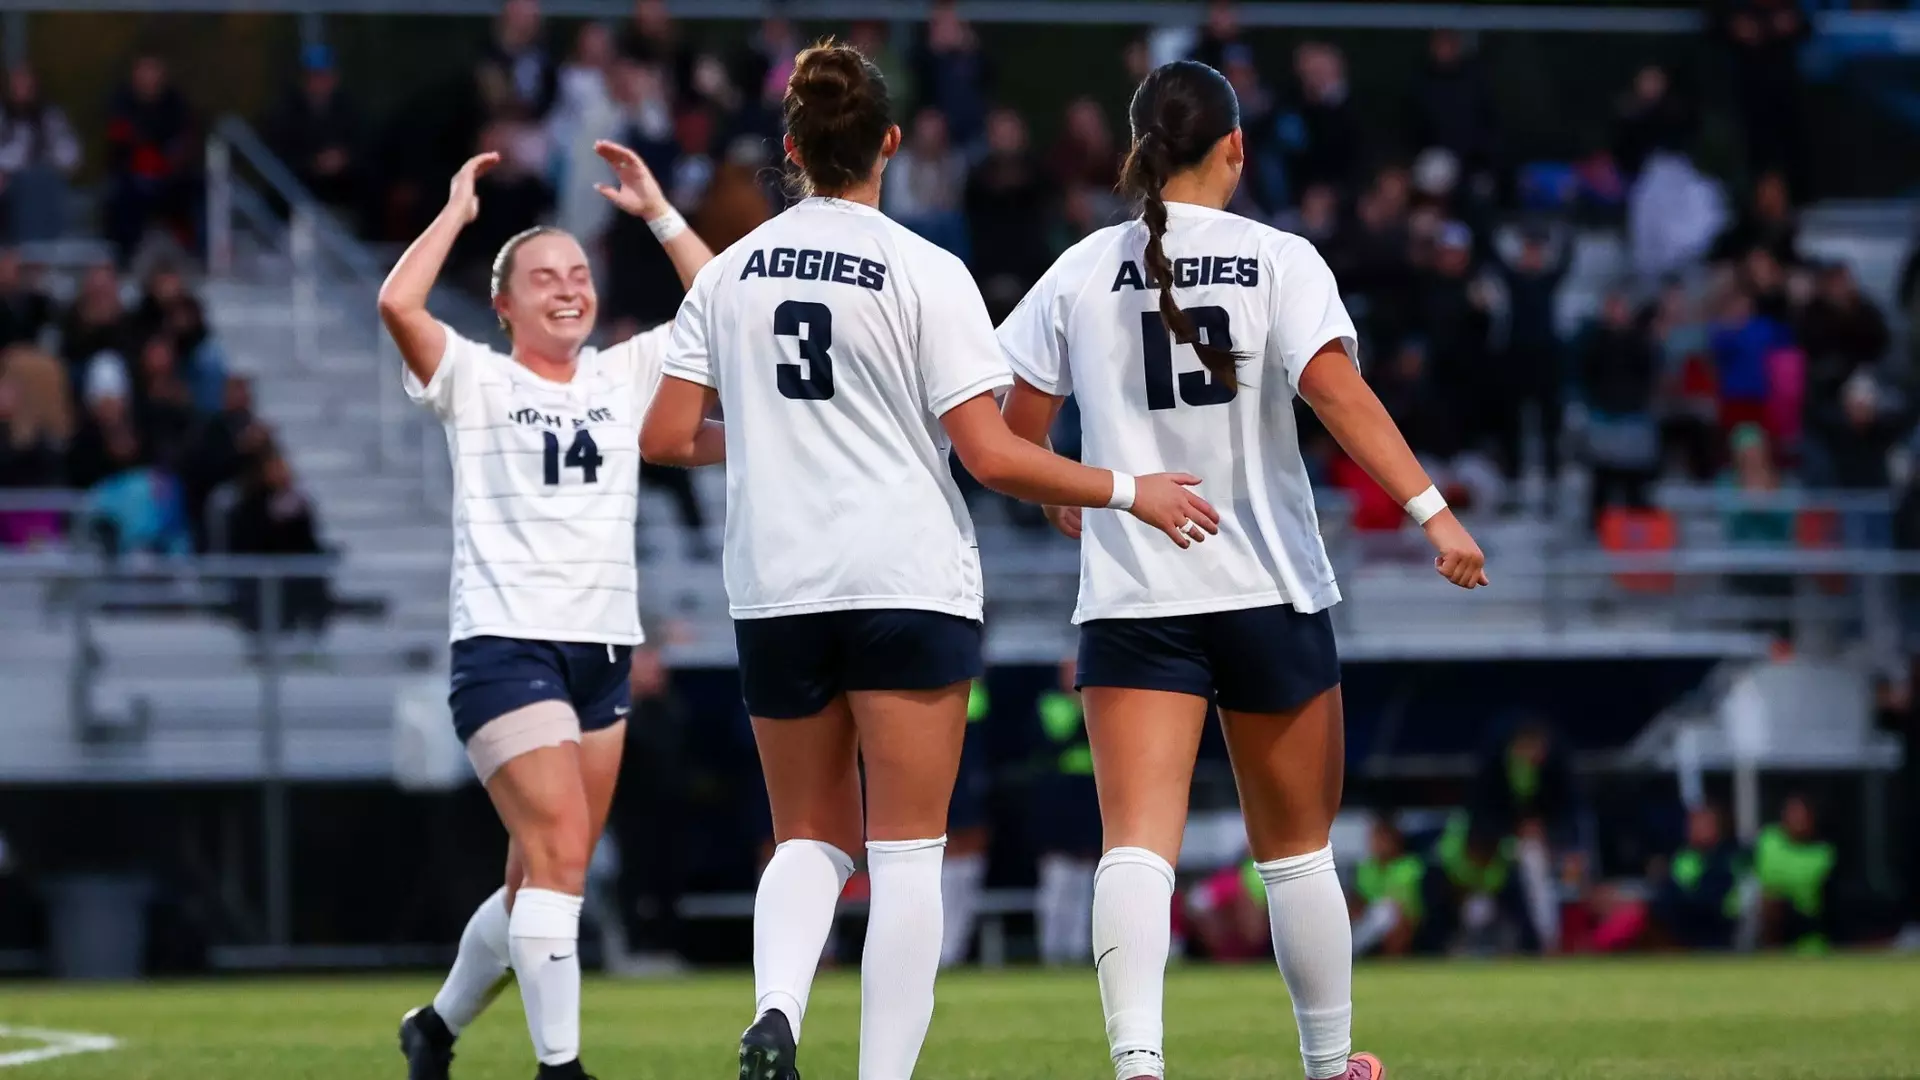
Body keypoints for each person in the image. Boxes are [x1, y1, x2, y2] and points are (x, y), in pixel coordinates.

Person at [639, 39, 1217, 1080]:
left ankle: (777, 1011)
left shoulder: (728, 274)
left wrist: (769, 432)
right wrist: (1130, 488)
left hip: (777, 587)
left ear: (790, 148)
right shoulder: (925, 269)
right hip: (906, 579)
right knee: (909, 855)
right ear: (890, 145)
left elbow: (669, 434)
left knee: (806, 836)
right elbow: (991, 456)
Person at [996, 59, 1488, 1080]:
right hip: (1267, 586)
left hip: (1136, 590)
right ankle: (1325, 1065)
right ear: (1236, 148)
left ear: (1138, 151)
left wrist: (1070, 495)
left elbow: (1017, 432)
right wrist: (1433, 512)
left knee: (1135, 844)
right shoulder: (1279, 257)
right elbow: (1339, 398)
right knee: (1297, 850)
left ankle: (1137, 1064)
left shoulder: (1084, 267)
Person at [381, 140, 715, 1080]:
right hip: (505, 647)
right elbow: (397, 304)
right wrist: (455, 211)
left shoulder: (621, 375)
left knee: (539, 875)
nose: (567, 289)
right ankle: (560, 1069)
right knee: (563, 852)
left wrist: (658, 213)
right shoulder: (479, 377)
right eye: (542, 278)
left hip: (602, 652)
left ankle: (435, 1029)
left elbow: (726, 306)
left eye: (577, 273)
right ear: (504, 303)